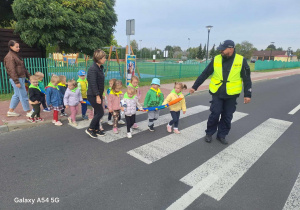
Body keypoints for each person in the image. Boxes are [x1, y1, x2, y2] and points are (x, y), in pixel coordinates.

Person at [189, 40, 252, 144]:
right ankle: (209, 133)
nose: (220, 51)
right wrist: (195, 86)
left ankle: (222, 135)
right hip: (217, 92)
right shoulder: (216, 59)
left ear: (231, 49)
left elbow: (247, 79)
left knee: (227, 116)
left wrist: (247, 94)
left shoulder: (241, 60)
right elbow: (205, 73)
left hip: (232, 94)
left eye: (223, 49)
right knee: (215, 113)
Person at [4, 40, 32, 117]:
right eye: (16, 47)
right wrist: (16, 81)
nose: (18, 48)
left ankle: (10, 111)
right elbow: (11, 70)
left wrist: (29, 77)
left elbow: (23, 68)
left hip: (20, 78)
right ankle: (28, 111)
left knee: (16, 95)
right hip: (17, 79)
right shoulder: (10, 57)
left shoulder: (15, 55)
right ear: (11, 47)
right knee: (23, 95)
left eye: (18, 46)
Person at [85, 49, 106, 138]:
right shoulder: (93, 69)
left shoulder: (99, 68)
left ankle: (96, 129)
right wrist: (97, 96)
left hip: (98, 94)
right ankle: (90, 128)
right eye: (104, 57)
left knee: (97, 112)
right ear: (99, 58)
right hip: (93, 95)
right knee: (100, 113)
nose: (105, 59)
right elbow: (93, 83)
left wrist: (102, 93)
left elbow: (100, 82)